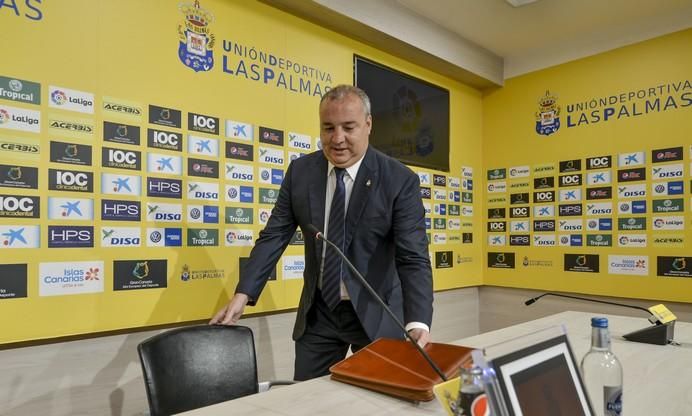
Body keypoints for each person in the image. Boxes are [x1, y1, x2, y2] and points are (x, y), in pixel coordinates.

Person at [211, 84, 433, 381]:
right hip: (321, 313)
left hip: (376, 313)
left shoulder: (399, 180)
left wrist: (418, 320)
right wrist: (243, 293)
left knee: (378, 402)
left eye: (348, 127)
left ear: (368, 125)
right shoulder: (301, 172)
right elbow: (275, 236)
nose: (337, 139)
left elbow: (413, 258)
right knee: (307, 398)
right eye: (328, 128)